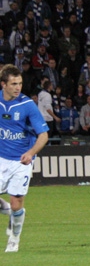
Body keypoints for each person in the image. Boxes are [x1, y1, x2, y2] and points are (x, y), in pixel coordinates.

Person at [0, 64, 50, 253]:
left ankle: (14, 239)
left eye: (19, 83)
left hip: (21, 160)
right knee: (11, 207)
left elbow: (43, 135)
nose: (18, 87)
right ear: (3, 84)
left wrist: (30, 153)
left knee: (16, 203)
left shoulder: (27, 105)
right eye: (13, 84)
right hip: (1, 158)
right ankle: (8, 212)